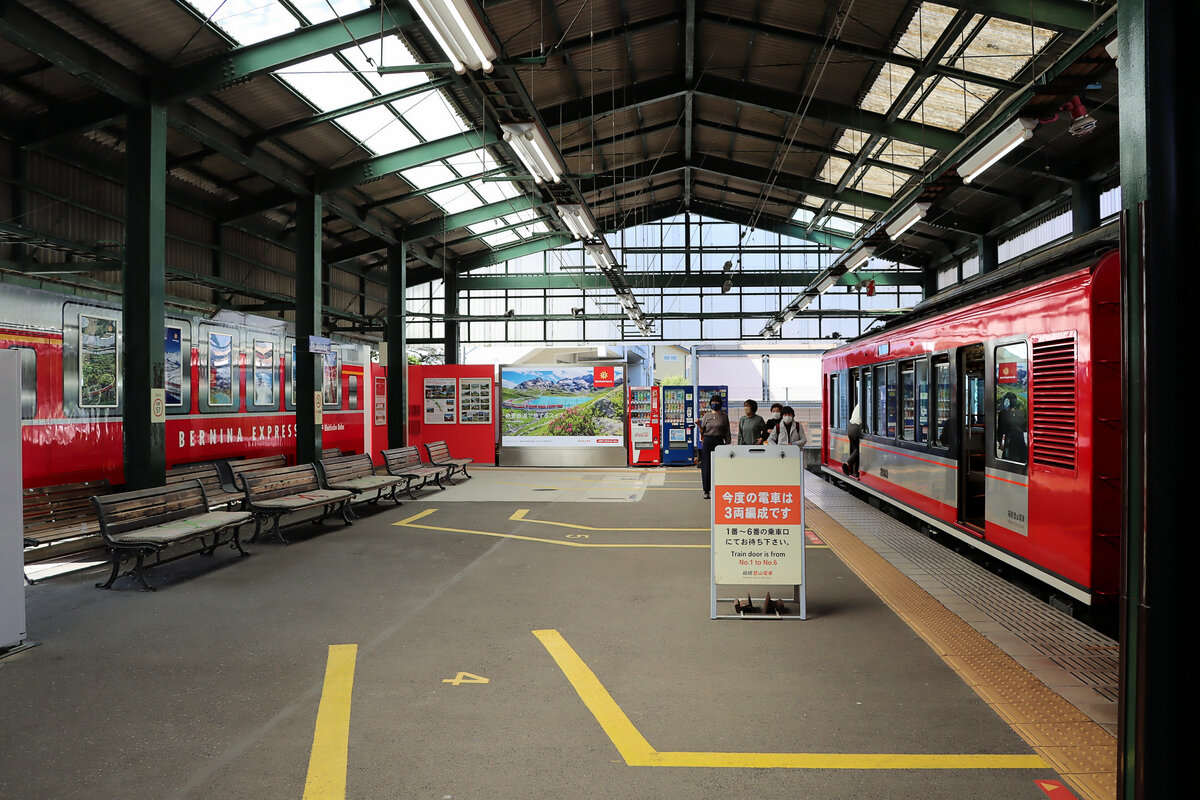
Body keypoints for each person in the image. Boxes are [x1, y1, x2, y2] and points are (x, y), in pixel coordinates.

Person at [696, 394, 731, 499]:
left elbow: (727, 431)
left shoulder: (724, 416)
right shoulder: (706, 416)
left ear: (720, 404)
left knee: (719, 465)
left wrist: (728, 443)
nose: (714, 404)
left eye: (717, 403)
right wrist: (698, 425)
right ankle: (706, 490)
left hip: (719, 441)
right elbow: (703, 431)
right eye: (713, 403)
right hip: (707, 440)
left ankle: (718, 488)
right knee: (706, 465)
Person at [997, 391, 1027, 462]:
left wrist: (1000, 443)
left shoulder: (1002, 414)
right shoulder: (1021, 413)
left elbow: (1000, 430)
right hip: (1021, 443)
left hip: (1009, 443)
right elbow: (1024, 428)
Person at [842, 401, 861, 478]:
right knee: (858, 450)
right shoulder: (866, 404)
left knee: (855, 449)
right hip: (856, 428)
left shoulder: (858, 405)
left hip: (850, 427)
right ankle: (847, 464)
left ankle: (854, 471)